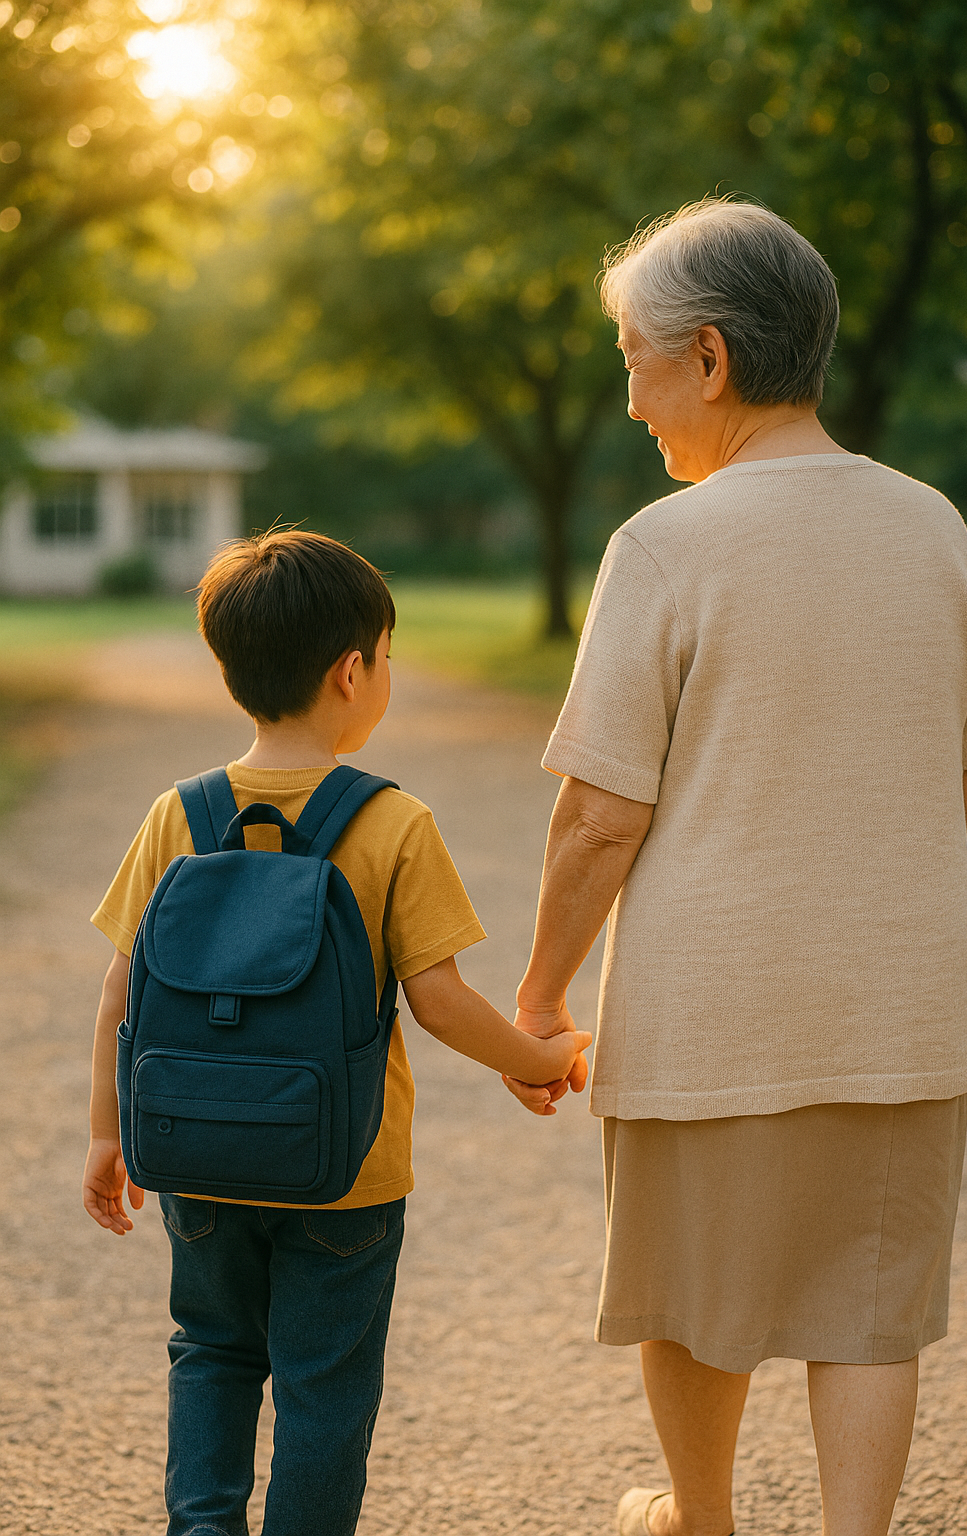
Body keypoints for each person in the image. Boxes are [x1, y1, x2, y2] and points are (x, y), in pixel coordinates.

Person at [504, 198, 967, 1536]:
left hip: (709, 1008)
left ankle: (704, 1521)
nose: (630, 401)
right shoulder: (936, 529)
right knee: (869, 1313)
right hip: (902, 1009)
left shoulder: (664, 549)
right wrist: (910, 946)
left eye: (634, 358)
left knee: (696, 1295)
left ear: (710, 358)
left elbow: (600, 817)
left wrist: (543, 995)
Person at [82, 529, 590, 1536]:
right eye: (388, 657)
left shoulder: (175, 815)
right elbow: (439, 1001)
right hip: (345, 1173)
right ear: (352, 673)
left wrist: (108, 1135)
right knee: (324, 1385)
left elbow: (119, 996)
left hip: (197, 1157)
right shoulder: (391, 823)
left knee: (212, 1352)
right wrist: (541, 1057)